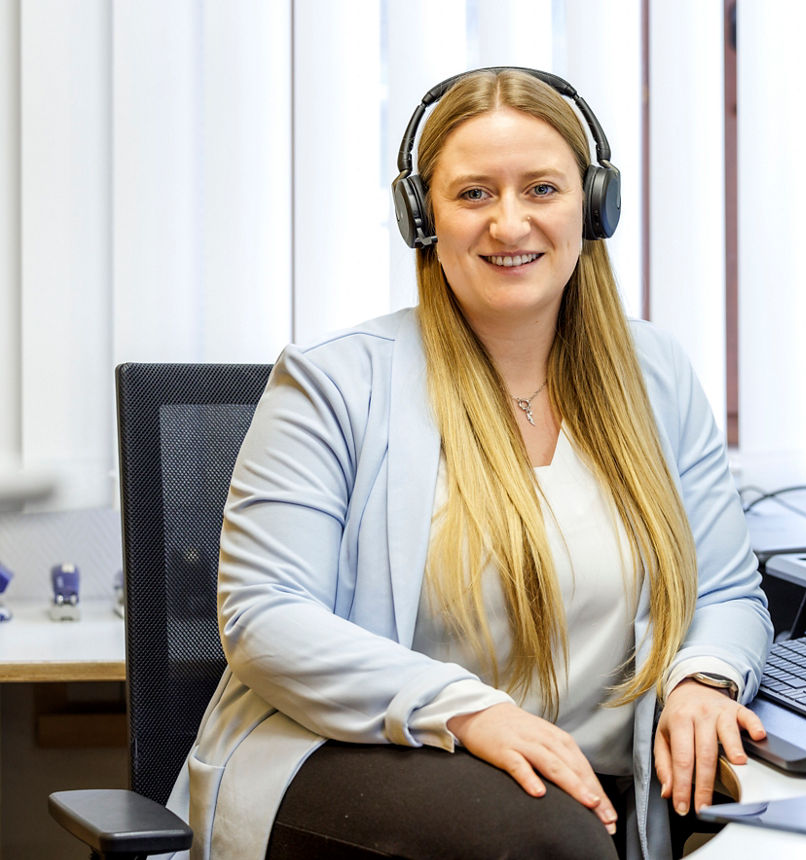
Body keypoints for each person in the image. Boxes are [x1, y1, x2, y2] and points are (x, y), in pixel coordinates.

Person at [164, 67, 771, 860]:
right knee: (548, 838)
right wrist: (469, 710)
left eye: (542, 189)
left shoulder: (655, 374)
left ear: (592, 208)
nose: (510, 223)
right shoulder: (334, 380)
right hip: (373, 749)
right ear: (424, 219)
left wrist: (706, 677)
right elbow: (265, 616)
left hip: (588, 788)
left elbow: (726, 587)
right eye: (474, 194)